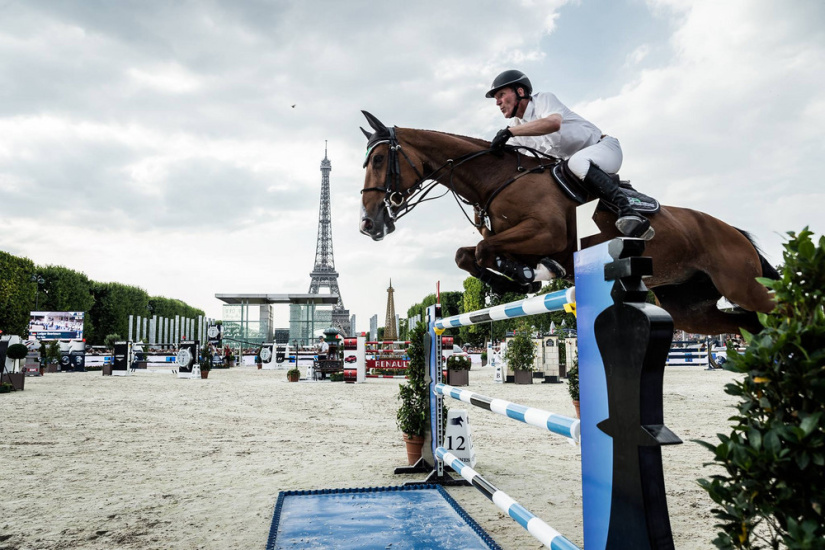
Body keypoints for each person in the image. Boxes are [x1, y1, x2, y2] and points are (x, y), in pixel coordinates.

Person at [485, 69, 653, 240]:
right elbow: (508, 159)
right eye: (496, 98)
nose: (497, 102)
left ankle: (627, 210)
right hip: (574, 169)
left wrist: (509, 132)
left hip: (605, 149)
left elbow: (553, 123)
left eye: (501, 95)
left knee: (575, 162)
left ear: (520, 92)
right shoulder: (516, 127)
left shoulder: (543, 99)